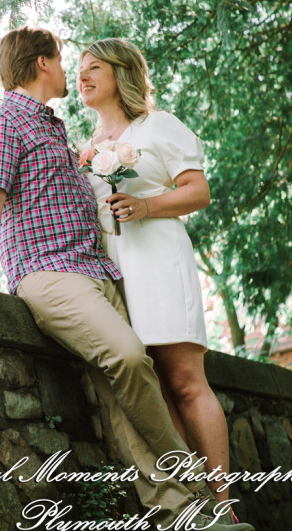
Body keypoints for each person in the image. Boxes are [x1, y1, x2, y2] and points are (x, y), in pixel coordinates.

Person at [0, 26, 254, 531]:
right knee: (129, 357)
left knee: (121, 401)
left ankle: (174, 519)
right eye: (65, 60)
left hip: (100, 271)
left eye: (92, 66)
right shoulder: (2, 120)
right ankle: (197, 496)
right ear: (43, 62)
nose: (74, 70)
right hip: (50, 273)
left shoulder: (55, 129)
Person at [77, 37, 232, 503]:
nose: (82, 76)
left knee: (185, 382)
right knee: (156, 394)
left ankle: (223, 504)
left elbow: (198, 191)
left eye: (94, 67)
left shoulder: (156, 126)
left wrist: (145, 205)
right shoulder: (86, 148)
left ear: (121, 73)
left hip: (159, 263)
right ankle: (192, 505)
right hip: (114, 272)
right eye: (79, 68)